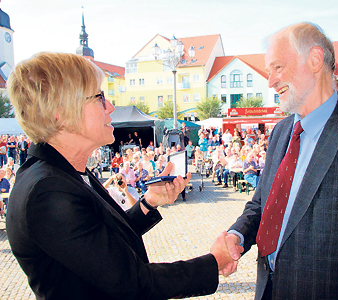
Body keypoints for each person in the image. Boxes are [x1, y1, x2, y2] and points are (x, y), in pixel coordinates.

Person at [6, 52, 238, 300]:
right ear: (60, 114)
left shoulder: (65, 172)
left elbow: (102, 243)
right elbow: (129, 281)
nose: (110, 107)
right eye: (99, 97)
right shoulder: (48, 191)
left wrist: (149, 202)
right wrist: (213, 263)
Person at [221, 23, 338, 299]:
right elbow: (261, 204)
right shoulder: (282, 131)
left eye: (278, 68)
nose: (270, 81)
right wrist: (236, 235)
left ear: (315, 60)